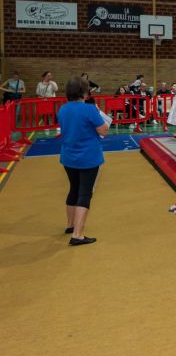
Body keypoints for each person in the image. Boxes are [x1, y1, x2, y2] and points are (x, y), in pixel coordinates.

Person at [57, 76, 109, 246]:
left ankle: (70, 225)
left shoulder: (62, 110)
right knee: (85, 193)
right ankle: (78, 235)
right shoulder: (89, 110)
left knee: (74, 189)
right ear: (84, 93)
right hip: (88, 157)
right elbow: (103, 130)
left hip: (68, 156)